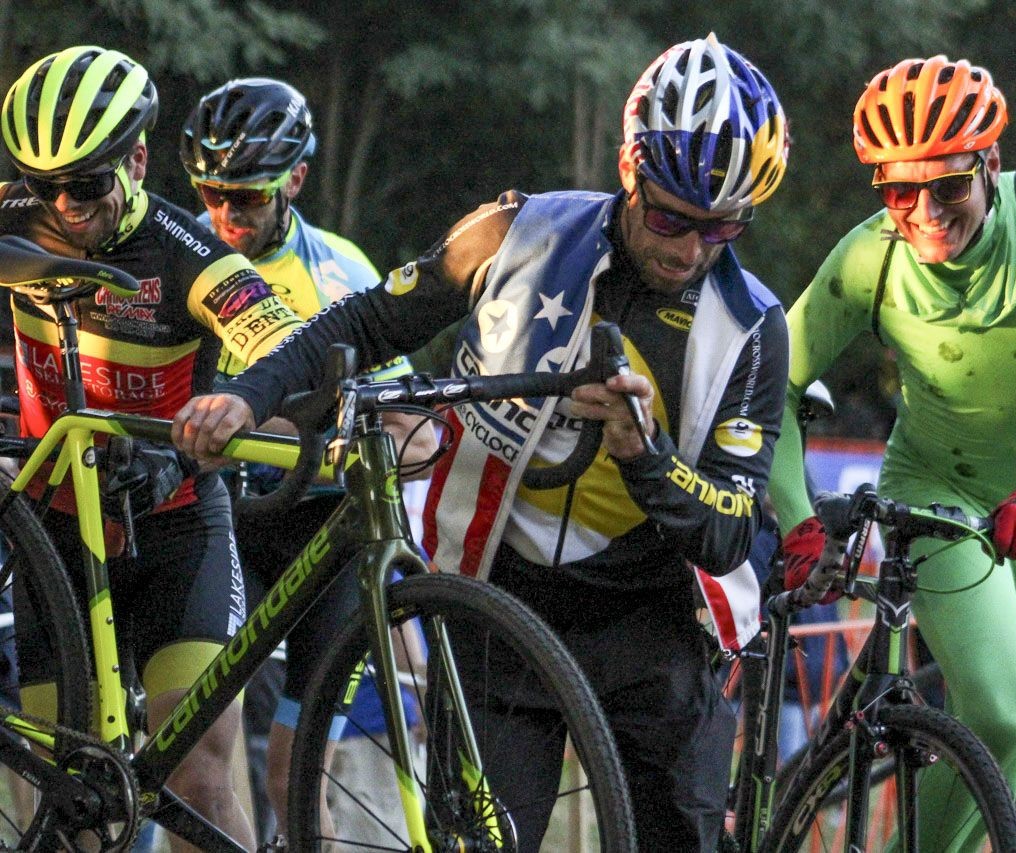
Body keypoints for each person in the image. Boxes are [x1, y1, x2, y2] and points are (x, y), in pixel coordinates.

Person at [172, 32, 790, 851]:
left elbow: (731, 531)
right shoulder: (516, 233)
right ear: (629, 168)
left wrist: (648, 459)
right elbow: (361, 319)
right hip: (502, 601)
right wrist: (249, 397)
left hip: (656, 621)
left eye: (721, 230)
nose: (688, 249)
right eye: (672, 216)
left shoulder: (753, 325)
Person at [768, 55, 1016, 850]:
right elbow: (770, 385)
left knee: (1015, 747)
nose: (924, 212)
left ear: (990, 165)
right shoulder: (868, 258)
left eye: (948, 186)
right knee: (1003, 712)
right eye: (899, 191)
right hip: (936, 490)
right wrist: (797, 516)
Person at [0, 46, 310, 851]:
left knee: (199, 779)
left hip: (175, 526)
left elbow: (283, 341)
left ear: (136, 159)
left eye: (88, 183)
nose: (64, 206)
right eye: (44, 185)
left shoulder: (188, 251)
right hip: (56, 537)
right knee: (72, 804)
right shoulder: (11, 219)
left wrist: (245, 404)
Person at [179, 76, 435, 843]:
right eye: (211, 193)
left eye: (247, 199)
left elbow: (409, 434)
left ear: (294, 179)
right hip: (218, 523)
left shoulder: (339, 274)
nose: (226, 216)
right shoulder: (182, 251)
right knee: (197, 766)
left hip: (318, 535)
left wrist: (313, 444)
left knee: (294, 776)